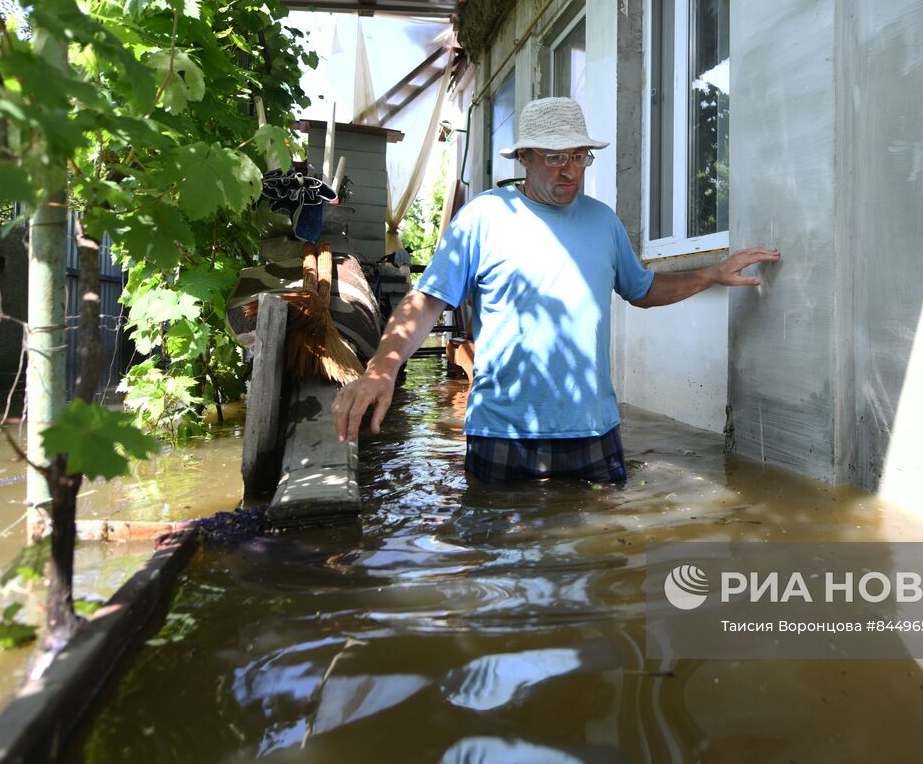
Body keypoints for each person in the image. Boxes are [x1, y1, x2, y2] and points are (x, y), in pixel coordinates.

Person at [332, 97, 780, 483]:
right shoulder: (484, 218)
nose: (570, 171)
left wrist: (712, 273)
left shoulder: (604, 222)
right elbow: (427, 300)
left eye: (579, 156)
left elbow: (643, 289)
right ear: (523, 158)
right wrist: (382, 369)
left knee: (600, 561)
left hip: (593, 432)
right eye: (554, 157)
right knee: (497, 562)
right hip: (503, 434)